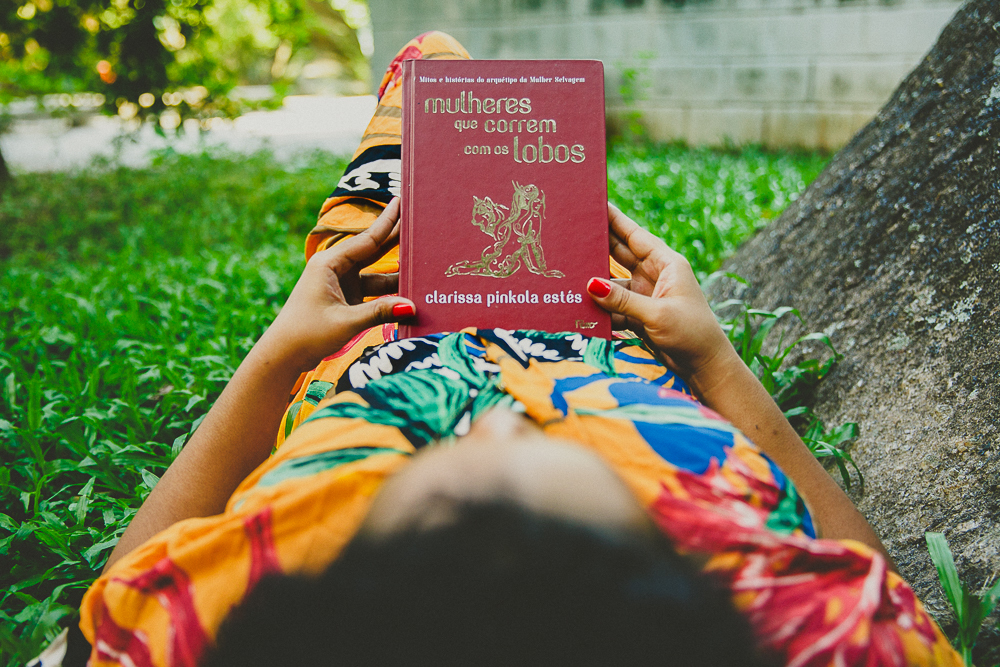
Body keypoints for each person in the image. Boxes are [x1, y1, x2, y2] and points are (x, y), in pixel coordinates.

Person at [78, 32, 962, 667]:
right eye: (551, 468)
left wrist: (278, 351)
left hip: (383, 320)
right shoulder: (805, 626)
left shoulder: (240, 612)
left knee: (430, 61)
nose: (496, 428)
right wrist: (714, 362)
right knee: (508, 128)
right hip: (588, 327)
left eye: (441, 492)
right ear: (670, 577)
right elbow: (884, 594)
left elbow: (115, 607)